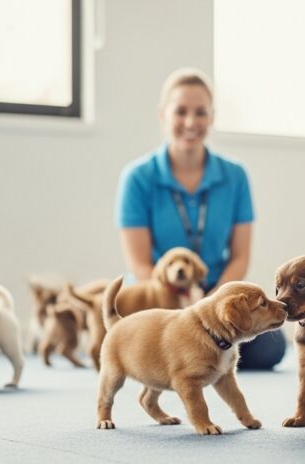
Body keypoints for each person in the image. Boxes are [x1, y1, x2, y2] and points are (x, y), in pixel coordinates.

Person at [115, 68, 286, 369]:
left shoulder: (235, 176)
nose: (191, 122)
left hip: (215, 298)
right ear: (163, 115)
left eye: (200, 113)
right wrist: (182, 313)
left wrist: (209, 308)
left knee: (270, 350)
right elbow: (140, 266)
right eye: (180, 112)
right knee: (131, 346)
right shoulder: (137, 177)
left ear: (212, 117)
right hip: (159, 302)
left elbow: (240, 257)